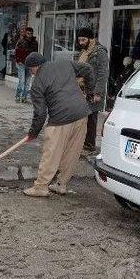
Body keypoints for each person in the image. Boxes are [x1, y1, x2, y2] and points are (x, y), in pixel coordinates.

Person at [22, 52, 95, 197]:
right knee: (72, 152)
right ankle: (61, 184)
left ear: (34, 67)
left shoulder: (37, 84)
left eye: (30, 70)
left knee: (51, 153)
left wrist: (33, 133)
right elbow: (88, 69)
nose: (31, 73)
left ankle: (41, 187)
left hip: (60, 119)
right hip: (81, 114)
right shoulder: (64, 63)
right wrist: (90, 91)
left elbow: (40, 113)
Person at [76, 27, 109, 154]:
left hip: (93, 90)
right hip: (81, 90)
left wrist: (98, 93)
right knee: (81, 118)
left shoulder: (99, 52)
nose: (81, 43)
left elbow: (103, 73)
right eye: (79, 40)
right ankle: (81, 143)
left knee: (91, 118)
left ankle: (89, 145)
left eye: (84, 40)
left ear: (91, 39)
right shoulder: (83, 52)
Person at [14, 27, 38, 103]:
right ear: (25, 33)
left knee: (27, 82)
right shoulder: (21, 41)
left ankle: (24, 97)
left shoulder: (35, 43)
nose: (29, 35)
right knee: (22, 81)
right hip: (21, 63)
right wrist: (18, 61)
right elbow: (16, 52)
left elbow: (35, 54)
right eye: (28, 33)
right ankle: (18, 96)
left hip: (30, 64)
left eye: (31, 33)